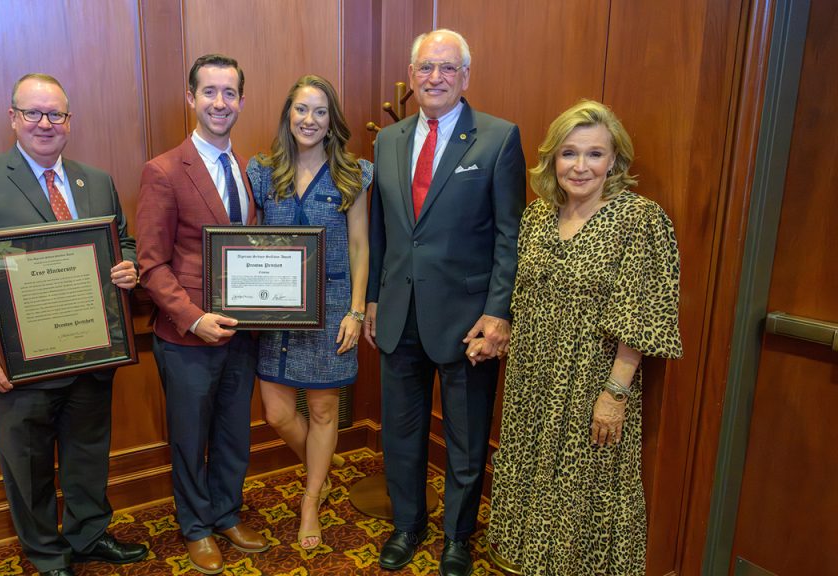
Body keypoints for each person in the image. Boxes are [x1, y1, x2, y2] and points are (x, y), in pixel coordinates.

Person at [0, 73, 146, 576]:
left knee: (88, 454)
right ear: (13, 118)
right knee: (28, 465)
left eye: (55, 114)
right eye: (33, 112)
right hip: (19, 363)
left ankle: (89, 533)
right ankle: (47, 554)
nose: (45, 123)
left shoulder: (95, 181)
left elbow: (125, 242)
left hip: (92, 352)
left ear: (69, 122)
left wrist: (130, 267)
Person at [485, 100, 683, 575]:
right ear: (553, 157)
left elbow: (641, 314)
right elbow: (522, 292)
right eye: (569, 153)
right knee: (531, 473)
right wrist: (499, 329)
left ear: (615, 159)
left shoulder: (640, 220)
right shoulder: (536, 217)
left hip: (591, 379)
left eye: (594, 154)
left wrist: (615, 393)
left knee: (583, 486)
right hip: (532, 374)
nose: (580, 166)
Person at [364, 29, 525, 576]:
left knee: (465, 438)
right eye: (426, 68)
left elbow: (510, 235)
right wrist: (372, 302)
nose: (435, 78)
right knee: (402, 434)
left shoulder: (498, 139)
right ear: (412, 76)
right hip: (398, 316)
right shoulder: (388, 141)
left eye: (447, 69)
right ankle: (406, 526)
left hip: (466, 321)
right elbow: (383, 232)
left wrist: (499, 312)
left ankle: (458, 535)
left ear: (465, 77)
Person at [135, 54, 268, 576]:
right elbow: (151, 264)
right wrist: (193, 318)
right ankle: (195, 526)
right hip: (188, 338)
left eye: (229, 93)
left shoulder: (247, 168)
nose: (220, 102)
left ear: (240, 100)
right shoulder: (164, 170)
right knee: (191, 438)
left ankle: (226, 513)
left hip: (241, 334)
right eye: (209, 92)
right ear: (191, 98)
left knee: (235, 432)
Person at [246, 75, 372, 550]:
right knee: (277, 413)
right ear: (287, 116)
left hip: (332, 308)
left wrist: (357, 312)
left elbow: (360, 246)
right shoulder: (263, 170)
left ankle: (310, 499)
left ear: (331, 120)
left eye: (320, 111)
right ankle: (322, 465)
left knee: (323, 410)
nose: (309, 120)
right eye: (301, 109)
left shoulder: (352, 173)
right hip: (274, 312)